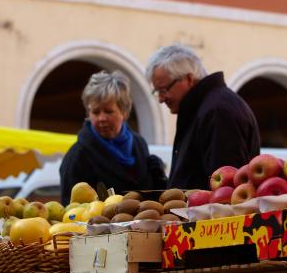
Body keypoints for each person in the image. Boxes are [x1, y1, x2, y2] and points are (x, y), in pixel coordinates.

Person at [146, 44, 261, 190]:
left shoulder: (217, 112)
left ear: (188, 79)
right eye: (157, 92)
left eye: (163, 90)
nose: (161, 99)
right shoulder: (208, 108)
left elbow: (225, 188)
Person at [59, 70, 167, 204]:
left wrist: (159, 179)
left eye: (108, 111)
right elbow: (70, 211)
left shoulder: (139, 144)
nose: (101, 118)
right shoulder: (78, 156)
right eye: (95, 112)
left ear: (124, 111)